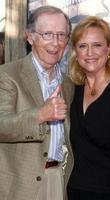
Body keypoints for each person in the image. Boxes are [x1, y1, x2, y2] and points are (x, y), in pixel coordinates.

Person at [0, 6, 74, 200]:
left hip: (58, 179)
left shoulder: (68, 83)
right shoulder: (7, 75)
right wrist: (41, 115)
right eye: (47, 34)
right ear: (30, 37)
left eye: (61, 35)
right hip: (19, 186)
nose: (56, 42)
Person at [67, 16, 110, 200]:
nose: (90, 53)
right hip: (75, 191)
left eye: (97, 45)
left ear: (109, 48)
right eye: (82, 46)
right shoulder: (73, 88)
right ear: (75, 51)